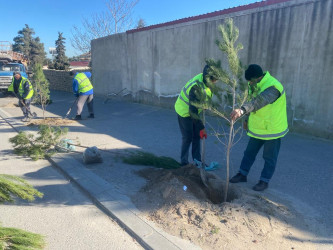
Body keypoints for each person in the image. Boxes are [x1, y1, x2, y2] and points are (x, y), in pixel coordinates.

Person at [230, 64, 288, 191]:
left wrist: (242, 110)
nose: (249, 83)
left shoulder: (274, 87)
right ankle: (242, 174)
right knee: (249, 153)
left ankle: (264, 181)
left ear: (258, 77)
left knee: (269, 158)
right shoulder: (255, 84)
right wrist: (246, 119)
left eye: (251, 80)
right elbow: (252, 100)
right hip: (257, 128)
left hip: (272, 130)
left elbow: (258, 101)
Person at [175, 65, 218, 166]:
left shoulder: (205, 80)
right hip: (184, 111)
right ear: (208, 78)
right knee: (188, 137)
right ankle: (184, 163)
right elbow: (192, 111)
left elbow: (206, 94)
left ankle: (197, 161)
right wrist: (202, 127)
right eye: (214, 80)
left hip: (193, 111)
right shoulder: (196, 88)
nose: (216, 82)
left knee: (196, 136)